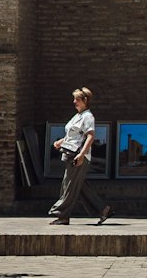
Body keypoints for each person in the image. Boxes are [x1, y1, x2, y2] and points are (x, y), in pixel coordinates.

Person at [48, 86, 112, 225]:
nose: (74, 101)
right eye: (74, 99)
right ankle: (103, 209)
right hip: (71, 153)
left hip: (78, 156)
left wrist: (82, 155)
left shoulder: (88, 117)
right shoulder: (78, 116)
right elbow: (74, 135)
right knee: (78, 185)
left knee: (69, 185)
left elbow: (90, 136)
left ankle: (62, 215)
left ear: (85, 100)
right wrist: (61, 141)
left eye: (77, 99)